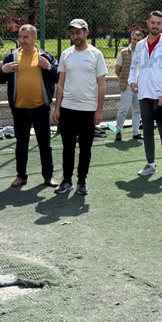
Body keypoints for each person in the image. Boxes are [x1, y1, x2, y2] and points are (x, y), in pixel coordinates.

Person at [0, 24, 59, 188]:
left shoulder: (46, 56)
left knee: (45, 145)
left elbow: (58, 77)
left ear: (34, 38)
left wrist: (49, 67)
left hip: (40, 109)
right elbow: (0, 78)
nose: (22, 40)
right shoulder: (11, 56)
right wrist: (3, 70)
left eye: (26, 37)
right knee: (21, 145)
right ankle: (21, 176)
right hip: (20, 109)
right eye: (20, 36)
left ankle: (48, 176)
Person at [52, 19, 107, 196]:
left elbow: (101, 85)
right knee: (67, 148)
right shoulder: (66, 54)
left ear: (86, 33)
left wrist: (99, 110)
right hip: (67, 109)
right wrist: (57, 107)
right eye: (72, 33)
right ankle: (66, 180)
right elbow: (60, 83)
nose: (75, 36)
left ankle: (81, 181)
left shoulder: (96, 54)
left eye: (78, 32)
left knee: (85, 149)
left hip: (88, 111)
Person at [129, 11, 162, 178]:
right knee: (148, 131)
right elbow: (134, 66)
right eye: (153, 22)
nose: (155, 26)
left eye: (159, 23)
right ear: (147, 23)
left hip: (161, 96)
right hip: (144, 95)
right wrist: (132, 81)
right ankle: (150, 164)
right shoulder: (140, 45)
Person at [114, 31, 144, 141]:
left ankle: (136, 132)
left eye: (138, 40)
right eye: (134, 39)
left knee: (137, 111)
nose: (136, 42)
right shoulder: (123, 53)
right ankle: (118, 132)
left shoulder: (144, 53)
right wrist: (126, 81)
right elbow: (118, 70)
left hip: (140, 87)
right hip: (127, 86)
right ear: (131, 39)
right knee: (123, 110)